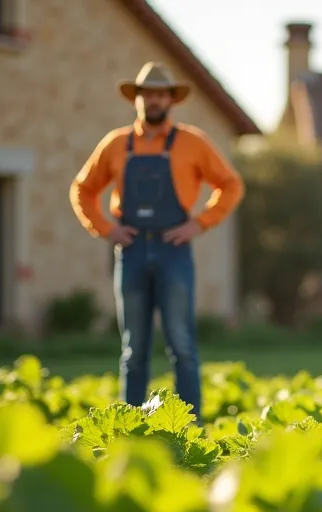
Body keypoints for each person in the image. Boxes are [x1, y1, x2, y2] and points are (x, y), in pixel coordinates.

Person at [69, 61, 244, 417]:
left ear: (171, 100)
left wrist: (200, 223)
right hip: (130, 251)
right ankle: (130, 426)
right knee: (134, 349)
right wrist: (107, 229)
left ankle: (189, 426)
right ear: (137, 99)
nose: (154, 100)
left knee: (182, 345)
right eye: (148, 94)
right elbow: (82, 189)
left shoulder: (193, 142)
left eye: (161, 94)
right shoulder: (115, 144)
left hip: (173, 251)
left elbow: (231, 185)